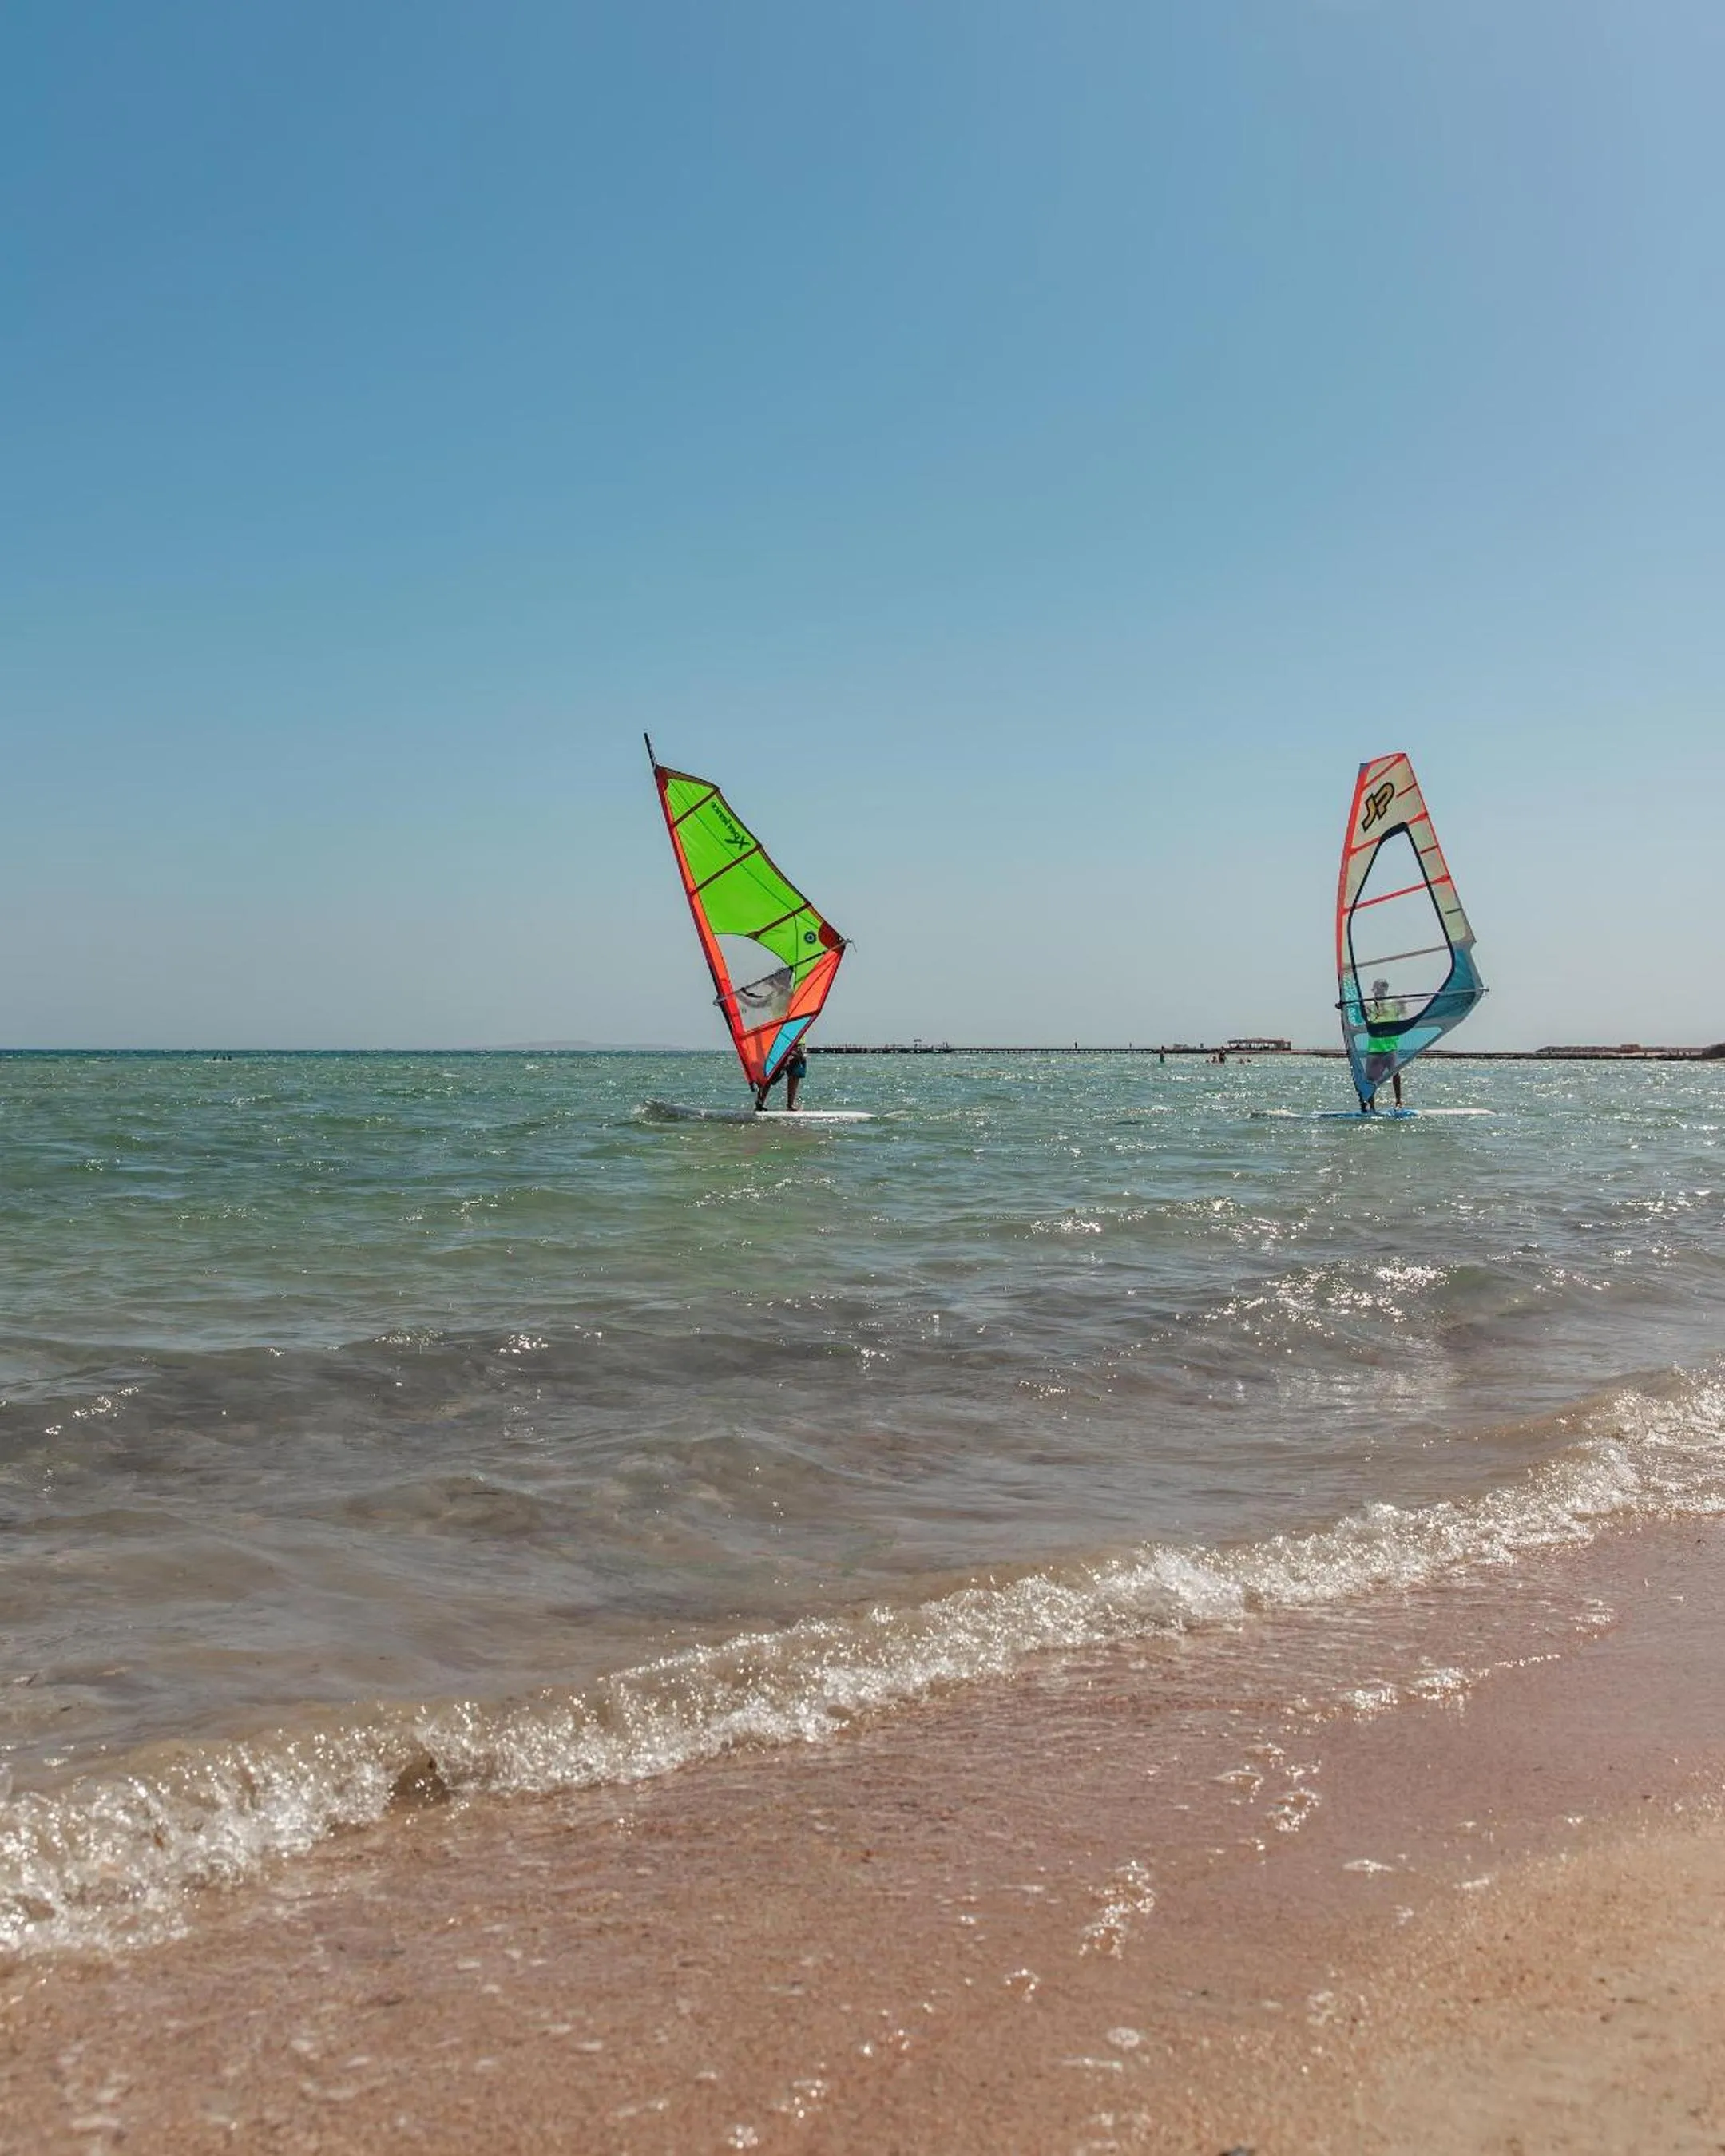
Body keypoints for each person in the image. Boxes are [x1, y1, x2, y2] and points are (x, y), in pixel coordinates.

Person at [1363, 977, 1405, 1108]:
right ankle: (1371, 1107)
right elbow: (1360, 1016)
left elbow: (1405, 1014)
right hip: (1374, 1048)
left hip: (1390, 1047)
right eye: (1377, 988)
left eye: (1382, 987)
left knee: (1395, 1073)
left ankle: (1398, 1101)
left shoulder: (1394, 1004)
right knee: (1370, 1080)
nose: (1379, 990)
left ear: (1386, 989)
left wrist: (1403, 1003)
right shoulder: (1368, 1005)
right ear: (1374, 989)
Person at [753, 1040, 811, 1112]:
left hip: (798, 1043)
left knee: (795, 1075)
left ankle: (790, 1105)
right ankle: (760, 1103)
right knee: (770, 1074)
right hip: (780, 1043)